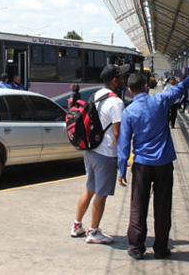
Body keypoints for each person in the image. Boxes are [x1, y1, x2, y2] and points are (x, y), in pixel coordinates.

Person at [117, 65, 189, 260]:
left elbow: (124, 144)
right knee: (162, 206)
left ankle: (136, 248)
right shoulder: (159, 100)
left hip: (141, 165)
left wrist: (121, 170)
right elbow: (181, 87)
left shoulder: (128, 112)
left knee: (138, 207)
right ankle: (160, 248)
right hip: (164, 163)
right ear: (145, 86)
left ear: (130, 90)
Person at [71, 64, 129, 244]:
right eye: (121, 77)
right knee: (101, 195)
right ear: (114, 80)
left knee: (89, 190)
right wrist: (122, 160)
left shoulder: (96, 95)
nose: (124, 80)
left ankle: (76, 225)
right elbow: (118, 133)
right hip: (106, 154)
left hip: (90, 151)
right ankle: (94, 232)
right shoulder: (117, 102)